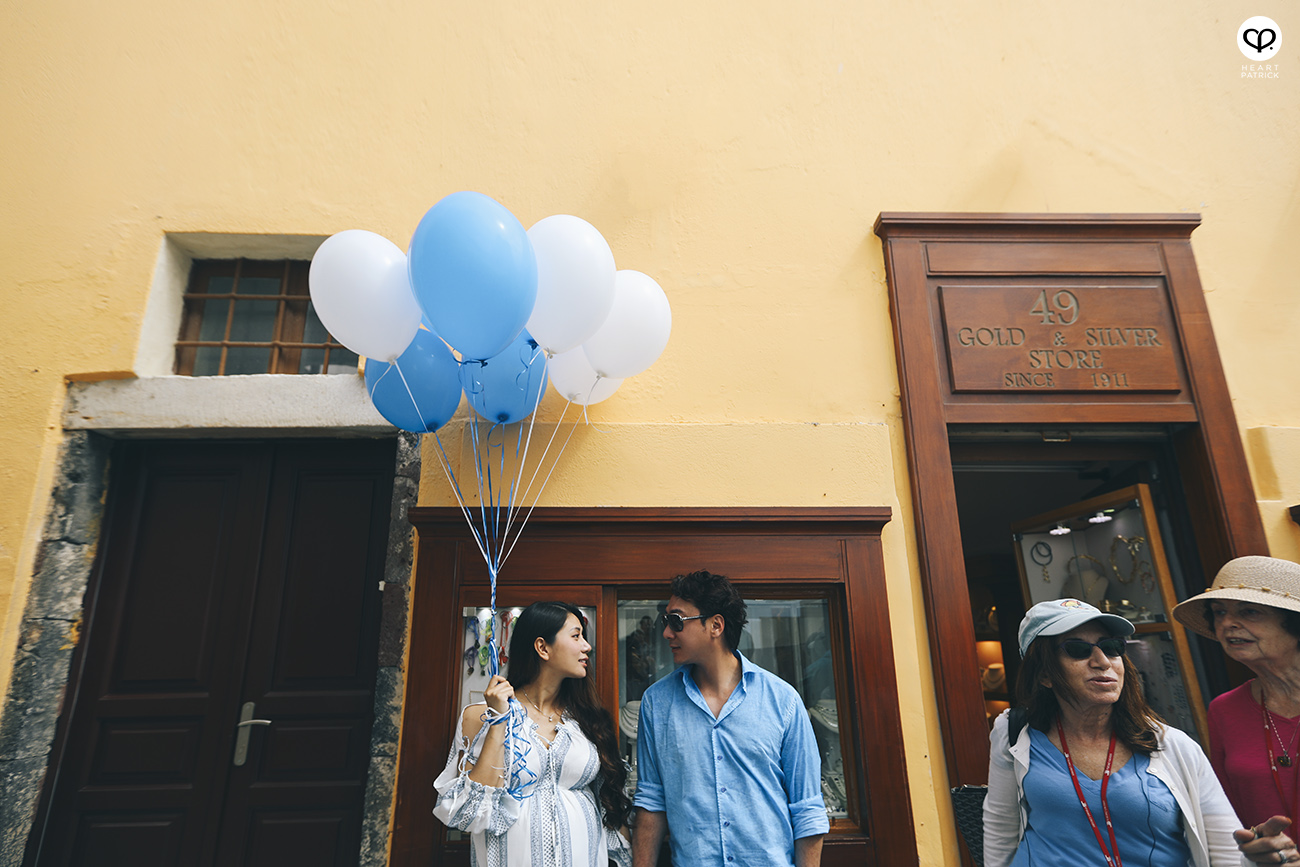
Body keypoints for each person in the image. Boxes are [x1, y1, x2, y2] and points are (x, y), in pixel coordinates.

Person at [984, 597, 1296, 866]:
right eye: (1078, 650)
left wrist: (1260, 859)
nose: (1102, 661)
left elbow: (1225, 854)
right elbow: (1001, 830)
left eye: (1111, 647)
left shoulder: (1173, 746)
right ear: (1044, 675)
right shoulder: (1014, 733)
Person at [631, 570, 828, 867]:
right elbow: (651, 802)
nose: (667, 633)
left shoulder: (783, 701)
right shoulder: (656, 704)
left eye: (676, 621)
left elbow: (807, 810)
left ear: (716, 625)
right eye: (666, 622)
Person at [434, 601, 631, 867]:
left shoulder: (588, 719)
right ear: (542, 647)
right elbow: (470, 814)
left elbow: (610, 810)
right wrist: (499, 721)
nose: (587, 646)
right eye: (576, 636)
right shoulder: (479, 715)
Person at [1174, 556, 1300, 837]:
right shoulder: (1225, 710)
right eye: (1219, 612)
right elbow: (1225, 815)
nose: (1228, 623)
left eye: (1249, 612)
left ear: (1294, 623)